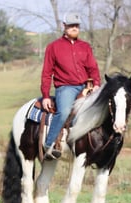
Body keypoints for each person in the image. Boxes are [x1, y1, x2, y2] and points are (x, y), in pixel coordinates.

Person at [41, 12, 101, 160]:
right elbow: (47, 73)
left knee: (100, 110)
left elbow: (93, 67)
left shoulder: (85, 47)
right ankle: (48, 145)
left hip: (85, 86)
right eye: (71, 25)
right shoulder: (53, 47)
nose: (75, 28)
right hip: (65, 87)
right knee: (64, 112)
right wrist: (46, 96)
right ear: (64, 26)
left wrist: (97, 84)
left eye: (77, 26)